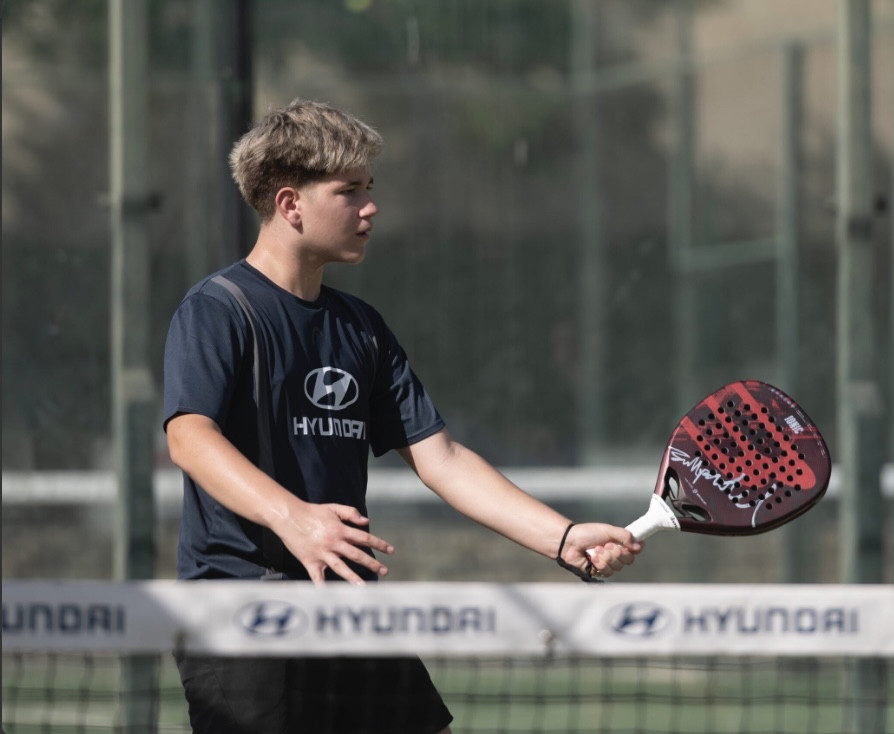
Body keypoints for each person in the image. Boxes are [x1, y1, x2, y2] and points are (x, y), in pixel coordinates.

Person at [162, 98, 642, 734]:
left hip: (350, 607)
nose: (370, 207)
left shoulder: (361, 328)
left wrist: (561, 537)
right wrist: (294, 518)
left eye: (370, 188)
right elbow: (190, 437)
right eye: (350, 191)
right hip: (239, 615)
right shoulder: (218, 309)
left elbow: (442, 459)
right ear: (290, 204)